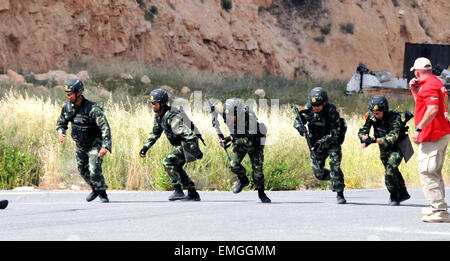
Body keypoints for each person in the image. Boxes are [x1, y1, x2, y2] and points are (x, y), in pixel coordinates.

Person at [139, 88, 202, 201]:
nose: (152, 106)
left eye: (154, 103)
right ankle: (192, 193)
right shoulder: (159, 116)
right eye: (151, 104)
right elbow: (155, 133)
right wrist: (145, 148)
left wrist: (195, 150)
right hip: (183, 144)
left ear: (162, 103)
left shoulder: (172, 117)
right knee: (176, 166)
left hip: (188, 143)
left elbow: (189, 134)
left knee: (168, 162)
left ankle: (178, 190)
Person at [56, 78, 112, 203]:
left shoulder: (92, 109)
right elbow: (61, 122)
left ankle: (102, 193)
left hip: (94, 144)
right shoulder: (67, 107)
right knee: (82, 170)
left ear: (78, 93)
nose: (68, 97)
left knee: (94, 169)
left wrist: (105, 146)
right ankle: (96, 188)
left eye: (70, 94)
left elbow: (105, 127)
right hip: (80, 145)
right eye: (66, 94)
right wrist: (61, 132)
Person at [409, 57, 450, 222]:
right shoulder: (435, 83)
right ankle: (437, 207)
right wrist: (413, 90)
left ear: (418, 72)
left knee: (427, 172)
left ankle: (439, 211)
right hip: (440, 134)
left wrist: (418, 129)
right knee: (434, 172)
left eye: (415, 73)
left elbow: (432, 110)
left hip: (433, 135)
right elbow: (422, 105)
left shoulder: (429, 86)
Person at [294, 87, 347, 204]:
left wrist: (320, 142)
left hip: (332, 143)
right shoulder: (308, 109)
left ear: (324, 102)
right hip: (315, 145)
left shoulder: (332, 112)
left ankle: (340, 194)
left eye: (318, 105)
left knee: (335, 167)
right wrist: (300, 128)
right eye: (313, 105)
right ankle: (334, 177)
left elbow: (335, 133)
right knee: (318, 172)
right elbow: (297, 121)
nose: (315, 107)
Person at [358, 95, 411, 206]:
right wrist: (364, 138)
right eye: (373, 112)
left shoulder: (394, 118)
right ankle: (403, 192)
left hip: (398, 146)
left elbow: (392, 138)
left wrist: (373, 140)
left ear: (384, 111)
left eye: (378, 113)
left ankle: (393, 195)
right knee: (392, 170)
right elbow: (362, 130)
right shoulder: (370, 115)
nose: (375, 115)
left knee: (390, 170)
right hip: (384, 149)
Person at [217, 98, 271, 203]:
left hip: (254, 144)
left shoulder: (249, 118)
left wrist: (230, 139)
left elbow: (248, 141)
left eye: (233, 116)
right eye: (228, 116)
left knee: (257, 171)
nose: (230, 118)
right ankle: (243, 180)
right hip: (240, 141)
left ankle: (261, 193)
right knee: (233, 164)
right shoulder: (228, 115)